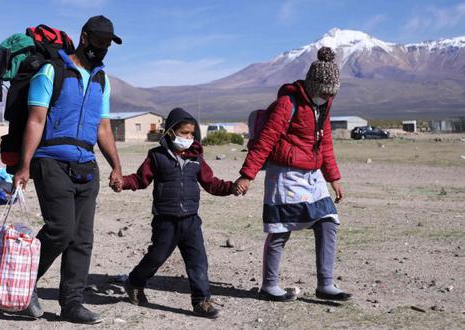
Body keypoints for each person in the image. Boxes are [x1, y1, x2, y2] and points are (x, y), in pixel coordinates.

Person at [12, 15, 123, 324]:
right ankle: (24, 284)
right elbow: (36, 120)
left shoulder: (103, 79)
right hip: (50, 160)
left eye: (107, 44)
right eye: (98, 41)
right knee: (61, 229)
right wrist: (24, 165)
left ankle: (72, 303)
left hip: (86, 165)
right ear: (84, 38)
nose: (102, 48)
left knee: (82, 238)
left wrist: (116, 165)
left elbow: (103, 127)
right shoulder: (53, 71)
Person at [234, 47, 352, 302]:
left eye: (332, 93)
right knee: (280, 228)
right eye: (324, 91)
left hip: (312, 175)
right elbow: (265, 140)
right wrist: (247, 175)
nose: (327, 96)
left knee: (328, 221)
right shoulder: (287, 104)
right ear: (312, 85)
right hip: (285, 175)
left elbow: (326, 142)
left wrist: (334, 178)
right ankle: (269, 285)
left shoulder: (323, 106)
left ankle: (326, 284)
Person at [116, 107, 238, 319]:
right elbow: (140, 179)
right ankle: (134, 282)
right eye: (184, 133)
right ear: (171, 132)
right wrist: (123, 182)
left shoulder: (196, 159)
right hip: (165, 220)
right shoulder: (156, 156)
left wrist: (232, 188)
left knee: (198, 261)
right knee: (156, 257)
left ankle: (201, 301)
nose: (189, 137)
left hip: (191, 220)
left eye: (192, 133)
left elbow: (211, 184)